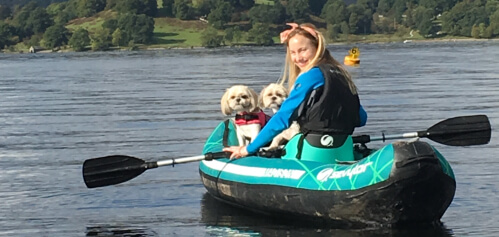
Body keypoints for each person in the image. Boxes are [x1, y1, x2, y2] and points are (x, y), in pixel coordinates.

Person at [223, 23, 367, 163]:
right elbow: (361, 119)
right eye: (293, 52)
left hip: (312, 153)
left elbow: (282, 118)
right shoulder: (341, 74)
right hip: (344, 149)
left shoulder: (309, 76)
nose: (298, 58)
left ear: (317, 48)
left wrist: (248, 149)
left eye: (303, 50)